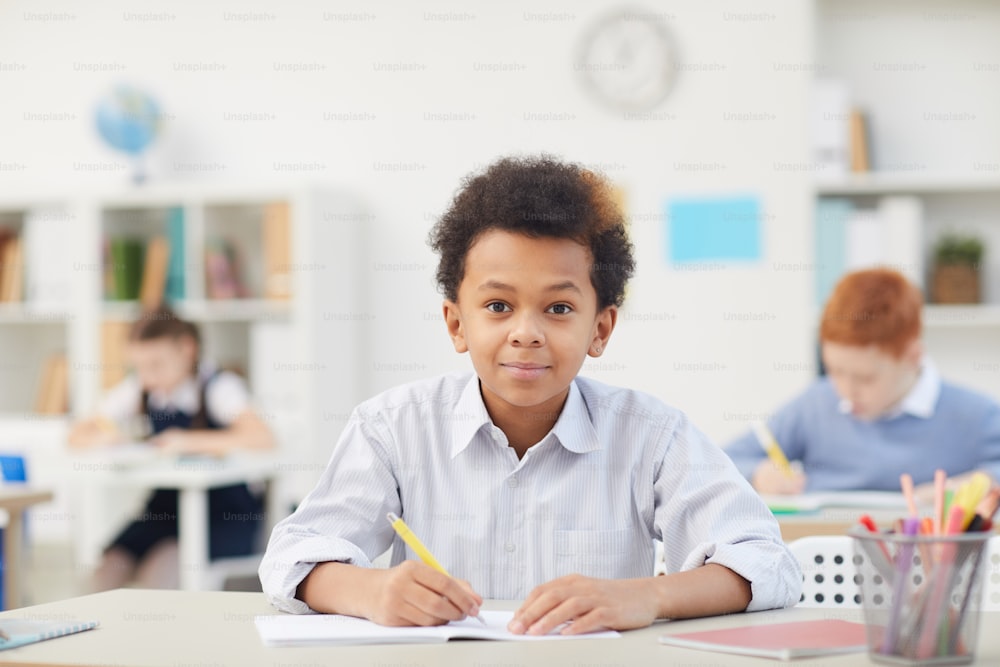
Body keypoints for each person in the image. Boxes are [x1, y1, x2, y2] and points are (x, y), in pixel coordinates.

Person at [259, 155, 800, 635]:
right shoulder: (392, 428)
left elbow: (767, 562)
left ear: (601, 329)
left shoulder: (652, 436)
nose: (526, 332)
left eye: (559, 308)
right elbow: (292, 557)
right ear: (456, 324)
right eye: (498, 306)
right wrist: (371, 592)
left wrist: (648, 595)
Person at [725, 268, 1000, 498]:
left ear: (913, 356)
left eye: (865, 378)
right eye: (833, 370)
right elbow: (722, 461)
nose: (845, 390)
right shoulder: (815, 405)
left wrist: (981, 483)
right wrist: (758, 472)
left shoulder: (975, 415)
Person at [69, 306, 275, 590]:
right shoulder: (140, 390)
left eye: (156, 365)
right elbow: (78, 434)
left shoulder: (218, 387)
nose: (147, 377)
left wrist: (189, 442)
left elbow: (262, 438)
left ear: (187, 350)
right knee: (110, 565)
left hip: (223, 515)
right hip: (164, 512)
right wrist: (104, 438)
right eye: (139, 367)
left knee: (165, 564)